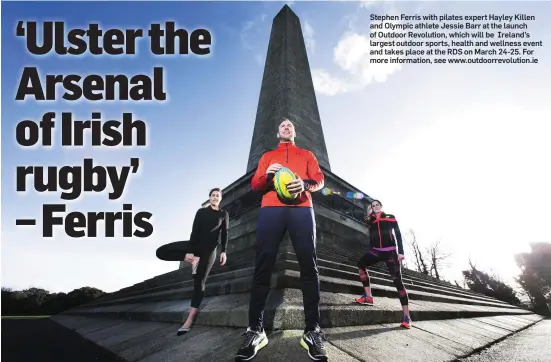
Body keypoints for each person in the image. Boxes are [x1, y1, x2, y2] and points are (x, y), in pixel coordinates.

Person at [235, 119, 328, 362]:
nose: (286, 127)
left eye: (290, 126)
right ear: (277, 132)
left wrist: (305, 183)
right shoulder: (267, 156)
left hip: (301, 208)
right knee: (263, 266)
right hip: (271, 209)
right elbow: (255, 185)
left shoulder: (307, 154)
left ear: (294, 132)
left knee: (309, 267)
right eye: (282, 126)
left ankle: (312, 331)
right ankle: (255, 330)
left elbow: (319, 180)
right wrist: (267, 176)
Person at [177, 188, 229, 335]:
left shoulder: (223, 214)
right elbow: (194, 231)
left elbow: (225, 233)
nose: (215, 198)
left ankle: (190, 317)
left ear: (221, 198)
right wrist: (190, 250)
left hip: (211, 250)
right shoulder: (201, 212)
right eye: (213, 195)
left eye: (217, 196)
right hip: (197, 249)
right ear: (210, 197)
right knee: (196, 278)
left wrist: (224, 251)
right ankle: (194, 304)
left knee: (201, 280)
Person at [355, 199, 411, 329]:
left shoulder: (390, 217)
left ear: (381, 206)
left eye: (377, 205)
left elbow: (398, 234)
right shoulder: (371, 220)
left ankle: (407, 317)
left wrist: (401, 252)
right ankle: (368, 297)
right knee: (360, 264)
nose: (375, 207)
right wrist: (371, 248)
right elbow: (371, 235)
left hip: (390, 252)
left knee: (398, 282)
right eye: (373, 206)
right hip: (376, 252)